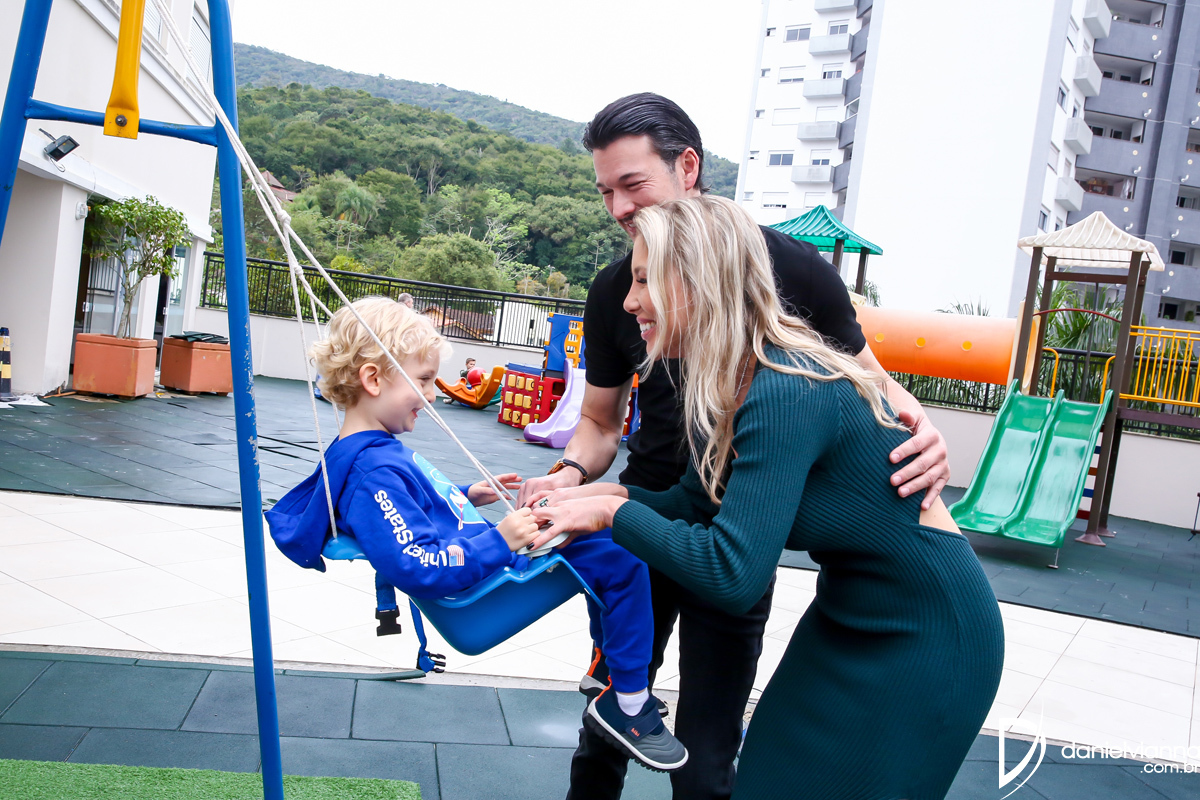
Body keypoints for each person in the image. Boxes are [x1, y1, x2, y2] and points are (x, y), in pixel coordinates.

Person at [517, 93, 952, 800]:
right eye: (605, 192)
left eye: (632, 184)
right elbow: (598, 421)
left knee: (709, 740)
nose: (619, 208)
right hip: (658, 507)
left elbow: (868, 384)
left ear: (687, 167)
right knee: (611, 715)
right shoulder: (618, 291)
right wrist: (572, 477)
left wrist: (922, 430)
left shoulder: (795, 275)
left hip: (741, 521)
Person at [264, 297, 687, 773]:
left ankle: (606, 671)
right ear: (373, 379)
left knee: (595, 534)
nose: (432, 395)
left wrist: (466, 495)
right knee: (622, 551)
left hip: (482, 556)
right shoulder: (373, 471)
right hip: (481, 585)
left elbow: (408, 514)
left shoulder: (371, 451)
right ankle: (628, 701)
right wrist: (502, 540)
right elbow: (417, 564)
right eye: (423, 380)